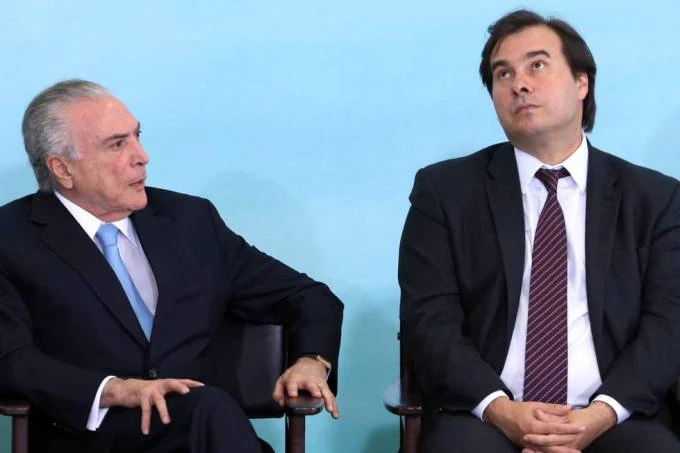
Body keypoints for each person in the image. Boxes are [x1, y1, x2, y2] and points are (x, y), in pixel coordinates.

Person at [0, 79, 343, 453]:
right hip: (92, 440)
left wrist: (312, 361)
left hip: (203, 435)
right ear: (63, 169)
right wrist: (115, 389)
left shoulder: (190, 222)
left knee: (208, 408)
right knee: (209, 407)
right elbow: (11, 359)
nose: (142, 156)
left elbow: (310, 298)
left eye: (137, 136)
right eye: (117, 144)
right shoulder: (11, 239)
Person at [399, 9, 680, 453]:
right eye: (503, 74)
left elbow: (668, 324)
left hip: (613, 415)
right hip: (486, 415)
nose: (519, 84)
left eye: (537, 65)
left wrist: (600, 414)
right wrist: (501, 409)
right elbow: (429, 320)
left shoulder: (656, 199)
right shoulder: (444, 192)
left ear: (582, 83)